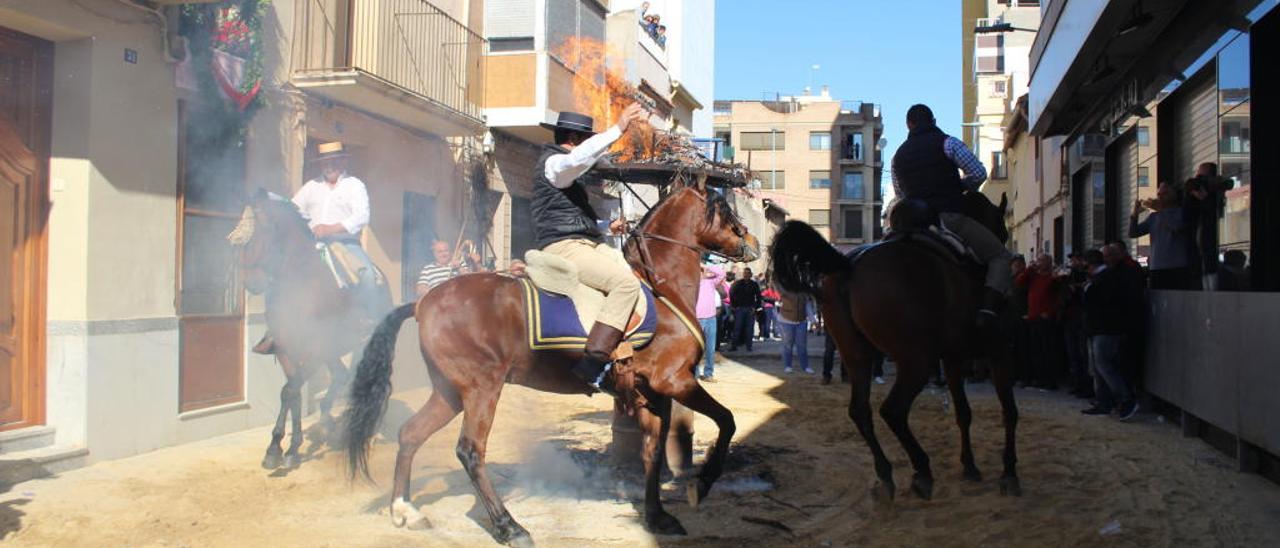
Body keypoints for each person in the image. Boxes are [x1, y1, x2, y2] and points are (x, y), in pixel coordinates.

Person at [532, 104, 648, 394]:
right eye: (585, 141)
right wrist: (618, 128)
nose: (588, 148)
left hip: (584, 242)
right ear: (573, 139)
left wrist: (607, 229)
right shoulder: (554, 164)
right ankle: (594, 364)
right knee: (624, 284)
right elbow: (579, 159)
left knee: (633, 273)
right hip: (565, 247)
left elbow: (572, 218)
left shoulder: (565, 173)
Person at [891, 104, 1012, 329]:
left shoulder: (898, 156)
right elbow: (978, 173)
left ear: (909, 124)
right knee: (1001, 257)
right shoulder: (948, 143)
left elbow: (901, 195)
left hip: (912, 225)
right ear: (934, 120)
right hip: (948, 219)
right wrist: (959, 187)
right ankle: (987, 310)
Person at [291, 141, 392, 319]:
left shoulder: (355, 185)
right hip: (312, 245)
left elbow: (362, 216)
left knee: (367, 274)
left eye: (334, 162)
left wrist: (330, 229)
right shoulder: (311, 186)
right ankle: (277, 326)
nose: (329, 166)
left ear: (343, 162)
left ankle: (368, 319)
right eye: (325, 162)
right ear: (321, 164)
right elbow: (294, 209)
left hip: (345, 245)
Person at [1080, 248, 1141, 421]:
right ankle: (1104, 402)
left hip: (1105, 329)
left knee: (1105, 367)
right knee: (1102, 368)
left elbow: (1095, 302)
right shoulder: (1107, 277)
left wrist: (1087, 289)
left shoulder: (1104, 279)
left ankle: (1126, 399)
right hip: (1102, 329)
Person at [1130, 182, 1195, 290]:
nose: (1160, 197)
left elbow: (1176, 227)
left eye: (1165, 193)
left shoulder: (1182, 212)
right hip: (1156, 266)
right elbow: (1133, 233)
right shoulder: (1153, 217)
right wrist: (1135, 214)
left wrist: (1161, 211)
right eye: (1159, 194)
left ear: (1175, 195)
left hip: (1177, 265)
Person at [1184, 162, 1235, 290]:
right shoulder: (1195, 186)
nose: (1200, 179)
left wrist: (1212, 188)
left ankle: (1210, 288)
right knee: (1204, 259)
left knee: (1208, 259)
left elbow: (1229, 184)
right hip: (1202, 226)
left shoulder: (1214, 188)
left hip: (1210, 226)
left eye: (1202, 175)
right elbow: (1191, 185)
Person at [1015, 254, 1062, 390]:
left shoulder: (1053, 278)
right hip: (1033, 317)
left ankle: (1050, 381)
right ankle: (1040, 379)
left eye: (1041, 260)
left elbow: (1058, 297)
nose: (1039, 263)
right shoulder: (1034, 276)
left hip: (1045, 318)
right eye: (1038, 260)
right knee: (1036, 351)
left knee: (1047, 350)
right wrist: (1029, 269)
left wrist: (1050, 312)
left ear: (1049, 263)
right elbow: (1019, 282)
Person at [416, 239, 483, 297]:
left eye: (446, 251)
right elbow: (420, 288)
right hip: (436, 302)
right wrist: (436, 290)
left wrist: (459, 268)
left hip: (456, 300)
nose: (443, 254)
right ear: (434, 254)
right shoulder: (428, 269)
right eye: (440, 252)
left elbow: (470, 280)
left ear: (450, 252)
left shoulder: (458, 263)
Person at [695, 264, 726, 381]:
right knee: (696, 349)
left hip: (711, 319)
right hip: (697, 319)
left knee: (710, 348)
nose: (700, 272)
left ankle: (708, 374)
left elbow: (722, 273)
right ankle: (696, 374)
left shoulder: (710, 282)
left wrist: (705, 265)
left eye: (701, 271)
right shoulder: (692, 283)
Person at [777, 289, 812, 374]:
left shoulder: (803, 292)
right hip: (786, 321)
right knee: (788, 345)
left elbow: (807, 306)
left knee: (802, 346)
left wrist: (813, 320)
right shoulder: (783, 289)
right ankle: (788, 366)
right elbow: (778, 303)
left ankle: (805, 366)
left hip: (801, 321)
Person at [729, 267, 761, 352]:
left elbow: (759, 297)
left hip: (750, 309)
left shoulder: (754, 284)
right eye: (745, 273)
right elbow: (731, 293)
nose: (746, 275)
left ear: (750, 275)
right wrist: (734, 305)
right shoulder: (738, 283)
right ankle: (734, 346)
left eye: (748, 273)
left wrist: (755, 308)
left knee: (749, 329)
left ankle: (749, 346)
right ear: (743, 274)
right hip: (740, 308)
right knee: (737, 328)